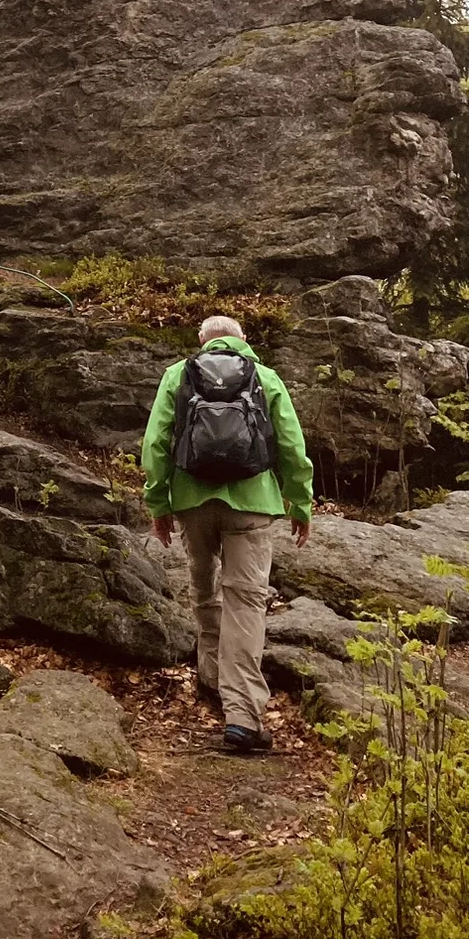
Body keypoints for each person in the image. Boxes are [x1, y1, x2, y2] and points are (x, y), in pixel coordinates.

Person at [142, 313, 314, 756]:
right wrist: (301, 502)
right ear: (244, 340)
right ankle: (241, 716)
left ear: (203, 340)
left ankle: (212, 683)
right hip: (253, 502)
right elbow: (293, 446)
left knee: (205, 592)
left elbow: (157, 444)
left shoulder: (178, 374)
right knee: (246, 602)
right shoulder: (266, 376)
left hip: (192, 501)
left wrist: (159, 504)